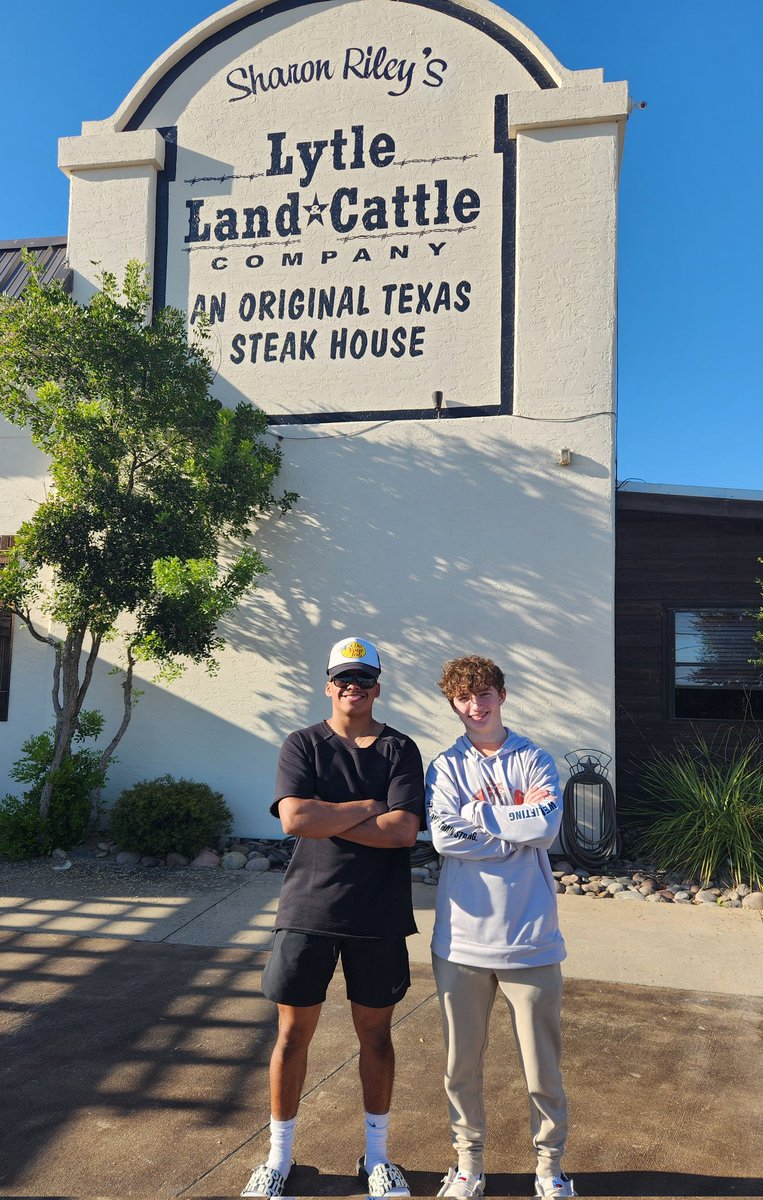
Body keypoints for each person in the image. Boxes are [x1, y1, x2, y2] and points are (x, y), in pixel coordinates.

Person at [242, 636, 425, 1200]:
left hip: (378, 915)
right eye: (344, 678)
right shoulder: (302, 744)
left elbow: (405, 832)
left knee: (376, 1037)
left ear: (377, 687)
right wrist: (370, 806)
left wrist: (330, 815)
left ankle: (376, 1158)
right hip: (309, 911)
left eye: (364, 679)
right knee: (292, 1036)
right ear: (328, 685)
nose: (354, 687)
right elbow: (295, 818)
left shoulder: (400, 750)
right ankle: (278, 1158)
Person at [426, 655, 576, 1200]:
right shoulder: (443, 766)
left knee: (543, 1070)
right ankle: (468, 1164)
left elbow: (547, 825)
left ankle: (550, 1167)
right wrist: (512, 823)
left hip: (531, 940)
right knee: (459, 1066)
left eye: (484, 694)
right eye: (464, 698)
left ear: (502, 695)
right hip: (461, 942)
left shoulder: (534, 758)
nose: (476, 705)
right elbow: (444, 837)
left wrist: (480, 815)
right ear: (453, 705)